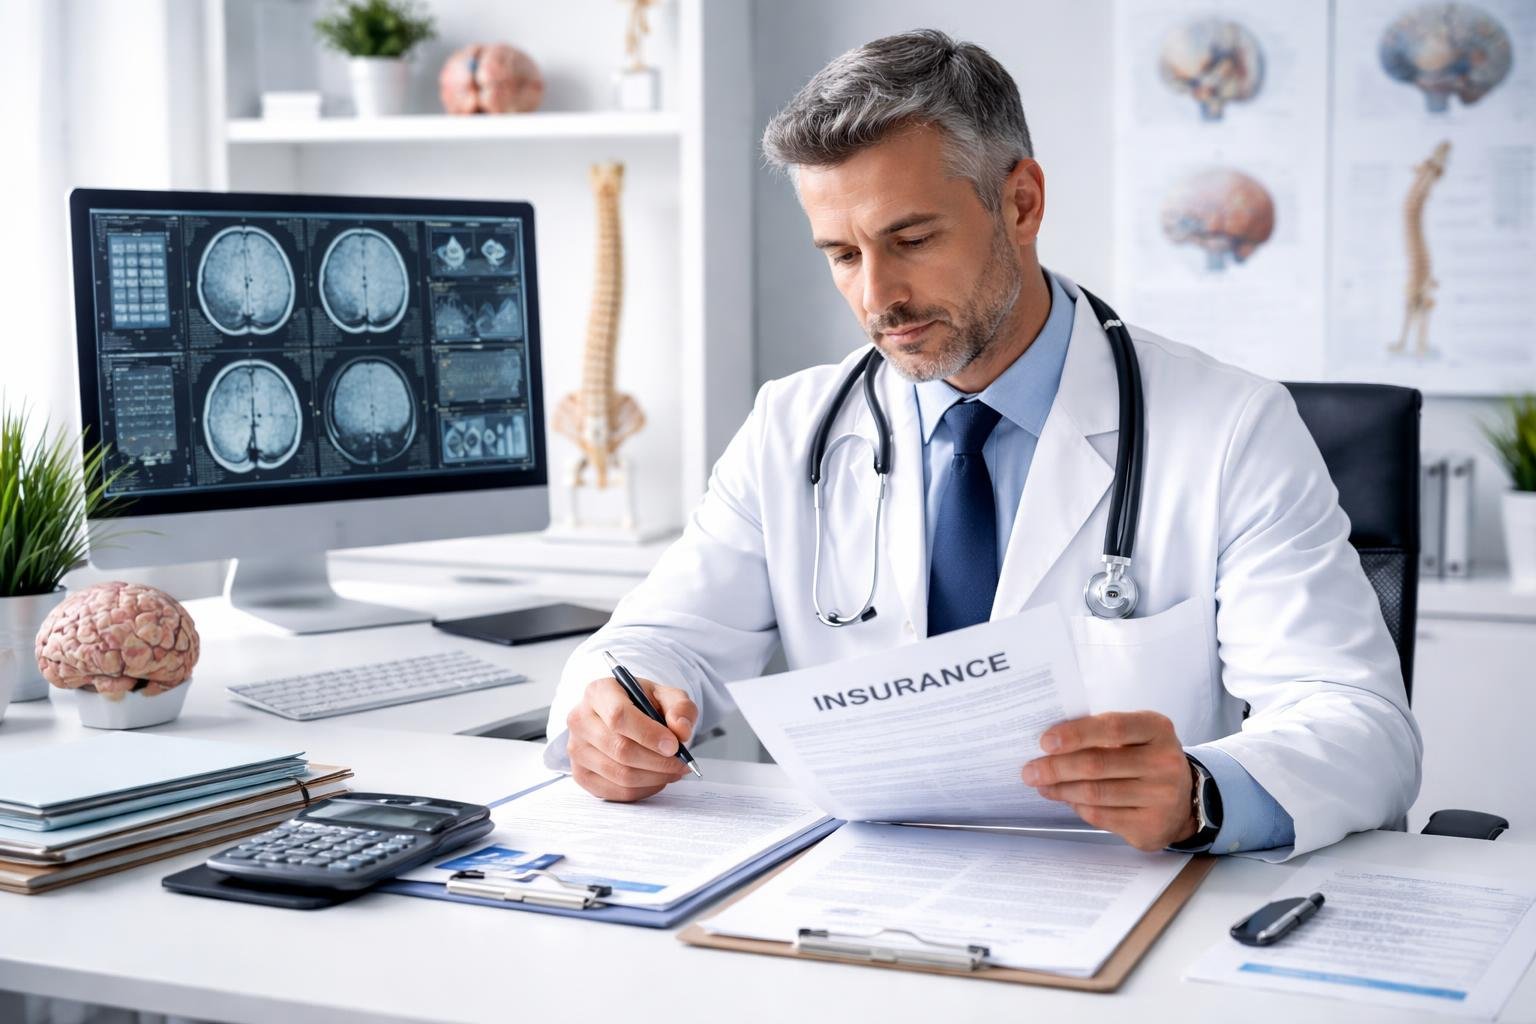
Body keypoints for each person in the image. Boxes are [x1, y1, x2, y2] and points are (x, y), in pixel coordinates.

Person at [544, 29, 1420, 856]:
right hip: (854, 900)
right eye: (842, 254)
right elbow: (659, 643)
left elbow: (1359, 723)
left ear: (1022, 203)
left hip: (1121, 902)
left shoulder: (1230, 428)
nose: (877, 296)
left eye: (911, 239)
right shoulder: (794, 427)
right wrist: (615, 711)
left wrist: (1203, 790)